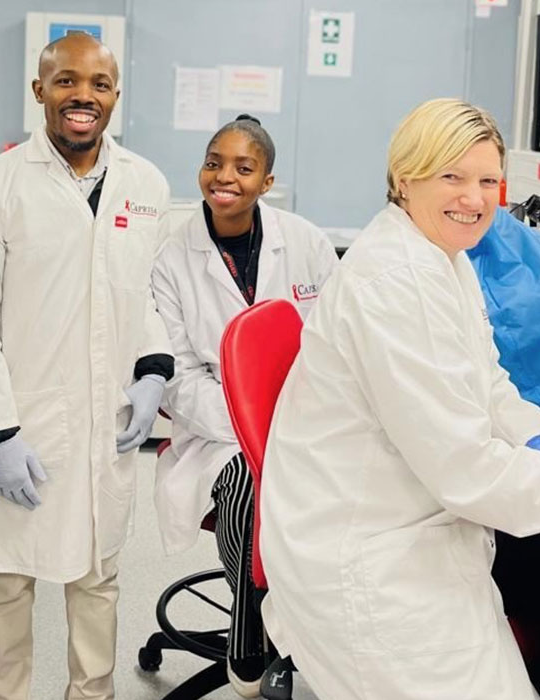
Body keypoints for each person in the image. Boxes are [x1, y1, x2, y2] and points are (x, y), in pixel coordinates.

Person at [256, 98, 540, 700]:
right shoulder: (395, 283)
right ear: (405, 178)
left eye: (487, 180)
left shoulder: (439, 258)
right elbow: (467, 469)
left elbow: (487, 380)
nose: (474, 199)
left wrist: (536, 441)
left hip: (415, 534)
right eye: (451, 177)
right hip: (369, 566)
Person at [0, 33, 171, 700]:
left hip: (106, 422)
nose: (84, 96)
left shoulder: (146, 183)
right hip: (25, 422)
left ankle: (92, 694)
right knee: (7, 584)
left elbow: (146, 293)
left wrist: (153, 369)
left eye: (99, 84)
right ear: (39, 91)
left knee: (99, 578)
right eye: (67, 81)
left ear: (115, 96)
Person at [151, 114, 337, 696]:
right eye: (213, 162)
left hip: (307, 420)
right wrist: (253, 424)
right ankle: (250, 613)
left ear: (267, 181)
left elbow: (338, 341)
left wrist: (297, 420)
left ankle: (320, 619)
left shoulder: (303, 241)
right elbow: (178, 373)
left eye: (242, 167)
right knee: (247, 481)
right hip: (219, 429)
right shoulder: (170, 256)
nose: (223, 177)